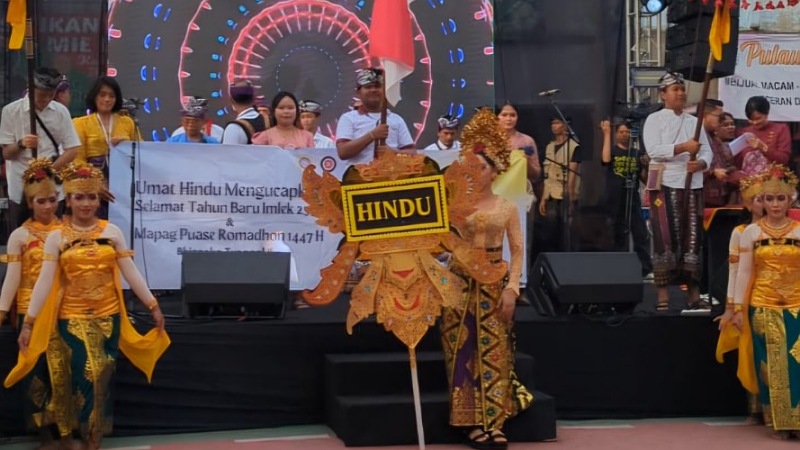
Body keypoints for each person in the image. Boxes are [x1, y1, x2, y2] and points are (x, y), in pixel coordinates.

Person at [6, 162, 170, 450]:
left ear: (98, 200)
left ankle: (90, 436)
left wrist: (153, 305)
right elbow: (44, 282)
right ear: (68, 200)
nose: (85, 203)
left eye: (91, 197)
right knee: (91, 371)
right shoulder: (57, 238)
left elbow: (130, 271)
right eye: (79, 197)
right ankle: (82, 438)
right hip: (72, 319)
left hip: (110, 316)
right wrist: (29, 322)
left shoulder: (113, 231)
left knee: (103, 373)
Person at [439, 108, 532, 450]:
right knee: (461, 350)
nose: (474, 172)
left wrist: (512, 288)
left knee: (494, 350)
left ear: (494, 171)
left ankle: (494, 421)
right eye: (470, 167)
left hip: (495, 280)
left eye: (481, 167)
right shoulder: (452, 205)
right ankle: (469, 421)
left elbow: (518, 250)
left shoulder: (506, 206)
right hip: (459, 280)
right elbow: (438, 241)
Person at [719, 164, 800, 439]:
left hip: (797, 306)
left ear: (791, 199)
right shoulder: (752, 233)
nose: (775, 204)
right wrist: (737, 309)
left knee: (797, 363)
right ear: (760, 201)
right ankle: (782, 422)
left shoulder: (799, 231)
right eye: (769, 198)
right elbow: (742, 271)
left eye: (781, 198)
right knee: (774, 365)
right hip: (763, 305)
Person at [0, 159, 71, 447]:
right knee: (35, 373)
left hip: (64, 310)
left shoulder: (68, 231)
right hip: (31, 311)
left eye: (53, 200)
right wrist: (2, 311)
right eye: (41, 201)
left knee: (63, 369)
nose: (48, 206)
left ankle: (65, 429)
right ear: (30, 203)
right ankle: (43, 432)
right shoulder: (20, 235)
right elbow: (12, 279)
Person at [642, 72, 713, 311]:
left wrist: (701, 163)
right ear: (663, 94)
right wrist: (684, 147)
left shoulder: (694, 121)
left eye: (682, 89)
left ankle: (693, 295)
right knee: (664, 239)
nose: (681, 93)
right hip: (664, 185)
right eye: (675, 89)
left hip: (691, 185)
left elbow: (707, 152)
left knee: (692, 238)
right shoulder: (654, 119)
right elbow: (653, 150)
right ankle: (663, 297)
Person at [0, 67, 81, 233]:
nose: (45, 99)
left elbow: (72, 149)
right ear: (31, 89)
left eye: (50, 95)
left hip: (51, 186)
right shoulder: (10, 111)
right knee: (22, 236)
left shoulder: (61, 112)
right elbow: (7, 153)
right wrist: (22, 143)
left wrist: (49, 170)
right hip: (20, 186)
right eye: (41, 95)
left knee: (53, 235)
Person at [714, 170, 765, 425]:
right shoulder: (741, 231)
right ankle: (755, 407)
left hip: (783, 297)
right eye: (757, 198)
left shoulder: (791, 229)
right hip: (750, 298)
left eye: (768, 198)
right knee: (752, 351)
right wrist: (731, 308)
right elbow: (736, 271)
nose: (764, 203)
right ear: (747, 202)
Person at [72, 76, 136, 219]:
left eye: (112, 96)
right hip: (91, 186)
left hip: (123, 186)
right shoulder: (80, 123)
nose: (107, 99)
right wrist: (94, 184)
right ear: (94, 97)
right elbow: (77, 160)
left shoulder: (128, 123)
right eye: (102, 95)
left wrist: (126, 144)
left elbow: (141, 153)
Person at [601, 119, 653, 280]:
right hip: (615, 198)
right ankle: (619, 267)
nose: (624, 135)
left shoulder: (636, 153)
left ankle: (645, 267)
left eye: (627, 132)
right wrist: (606, 134)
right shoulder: (614, 151)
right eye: (621, 132)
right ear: (616, 134)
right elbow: (605, 160)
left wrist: (646, 166)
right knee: (617, 233)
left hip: (633, 197)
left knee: (640, 232)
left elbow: (644, 179)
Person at [335, 68, 414, 164]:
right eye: (368, 87)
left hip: (391, 176)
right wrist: (372, 135)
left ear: (385, 90)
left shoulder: (396, 120)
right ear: (358, 92)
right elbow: (343, 152)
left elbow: (412, 153)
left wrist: (393, 153)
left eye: (377, 86)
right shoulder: (348, 118)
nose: (373, 90)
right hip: (357, 176)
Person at [539, 116, 582, 252]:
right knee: (551, 231)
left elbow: (573, 173)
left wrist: (569, 196)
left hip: (566, 194)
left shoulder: (574, 147)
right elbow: (547, 174)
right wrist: (544, 197)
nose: (554, 126)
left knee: (568, 231)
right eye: (552, 123)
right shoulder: (549, 147)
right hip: (551, 193)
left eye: (557, 123)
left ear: (565, 125)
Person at [735, 96, 791, 176]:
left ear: (767, 113)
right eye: (750, 119)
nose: (754, 123)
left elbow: (783, 159)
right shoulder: (742, 132)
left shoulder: (781, 129)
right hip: (747, 183)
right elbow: (737, 162)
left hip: (773, 183)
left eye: (758, 118)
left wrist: (763, 148)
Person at [221, 80, 267, 145]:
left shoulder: (233, 128)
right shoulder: (268, 121)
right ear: (253, 98)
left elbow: (228, 154)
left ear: (231, 100)